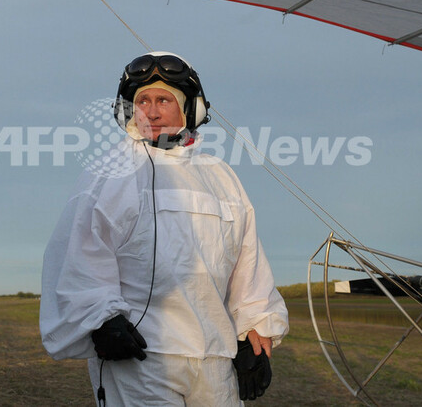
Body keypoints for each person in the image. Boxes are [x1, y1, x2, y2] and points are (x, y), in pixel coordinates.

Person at [40, 52, 289, 406]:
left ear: (191, 109)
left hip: (213, 359)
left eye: (163, 100)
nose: (151, 112)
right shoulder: (109, 174)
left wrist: (254, 330)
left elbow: (246, 262)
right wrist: (102, 320)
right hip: (142, 358)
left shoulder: (220, 177)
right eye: (141, 101)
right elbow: (80, 253)